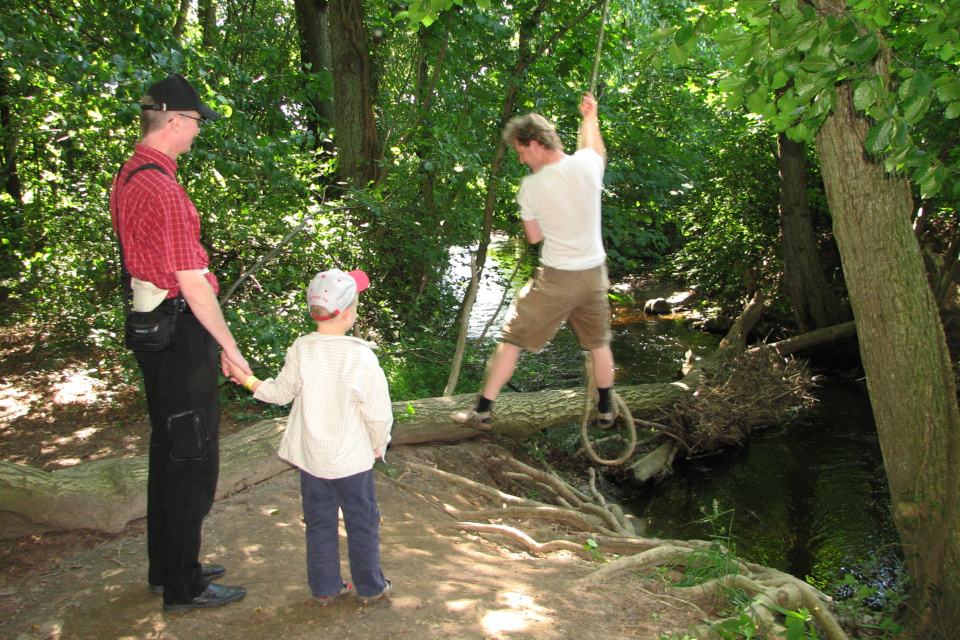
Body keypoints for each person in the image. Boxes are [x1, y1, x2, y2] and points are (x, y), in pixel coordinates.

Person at [110, 73, 250, 612]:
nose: (197, 132)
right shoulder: (162, 189)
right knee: (192, 453)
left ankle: (167, 565)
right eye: (194, 122)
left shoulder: (130, 174)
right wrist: (229, 348)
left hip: (152, 329)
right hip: (178, 329)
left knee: (168, 446)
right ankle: (184, 584)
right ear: (173, 121)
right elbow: (192, 282)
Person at [225, 268, 394, 606]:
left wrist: (246, 380)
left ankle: (324, 588)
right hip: (351, 461)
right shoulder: (361, 355)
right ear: (348, 313)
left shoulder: (302, 349)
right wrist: (380, 442)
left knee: (319, 523)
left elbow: (279, 393)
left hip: (312, 460)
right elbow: (379, 412)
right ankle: (371, 588)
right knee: (363, 523)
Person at [453, 92, 616, 430]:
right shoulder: (588, 164)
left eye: (521, 151)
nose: (522, 159)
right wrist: (590, 116)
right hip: (595, 276)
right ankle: (606, 410)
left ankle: (482, 410)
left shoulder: (531, 186)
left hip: (557, 280)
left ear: (535, 144)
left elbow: (534, 237)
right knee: (599, 345)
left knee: (511, 340)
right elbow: (594, 150)